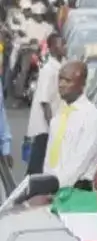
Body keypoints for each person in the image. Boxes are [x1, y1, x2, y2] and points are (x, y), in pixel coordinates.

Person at [44, 61, 97, 190]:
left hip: (77, 190)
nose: (61, 85)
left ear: (82, 84)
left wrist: (54, 187)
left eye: (68, 81)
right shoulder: (59, 115)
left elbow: (79, 163)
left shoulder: (92, 117)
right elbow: (50, 158)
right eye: (60, 79)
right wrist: (45, 186)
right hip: (53, 190)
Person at [26, 33, 65, 174]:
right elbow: (45, 101)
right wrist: (52, 126)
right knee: (36, 168)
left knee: (42, 166)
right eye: (61, 45)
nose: (64, 47)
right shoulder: (49, 70)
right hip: (44, 127)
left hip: (50, 125)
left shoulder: (59, 67)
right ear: (53, 48)